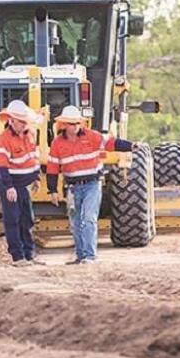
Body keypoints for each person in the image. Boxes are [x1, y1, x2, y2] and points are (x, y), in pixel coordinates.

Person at [47, 105, 138, 264]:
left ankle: (89, 256)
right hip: (73, 188)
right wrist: (52, 190)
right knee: (76, 223)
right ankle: (81, 255)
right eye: (71, 123)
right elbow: (53, 168)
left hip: (92, 185)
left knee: (89, 218)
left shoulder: (92, 136)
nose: (74, 127)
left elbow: (111, 143)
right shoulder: (57, 144)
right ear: (64, 125)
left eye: (76, 123)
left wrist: (131, 146)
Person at [0, 100, 43, 267]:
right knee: (12, 220)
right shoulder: (3, 140)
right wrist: (9, 187)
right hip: (12, 185)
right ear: (11, 120)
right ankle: (17, 257)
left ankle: (29, 255)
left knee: (27, 219)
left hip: (24, 185)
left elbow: (34, 158)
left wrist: (36, 177)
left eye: (25, 121)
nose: (23, 124)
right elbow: (2, 166)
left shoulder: (30, 135)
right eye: (20, 121)